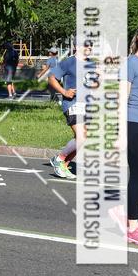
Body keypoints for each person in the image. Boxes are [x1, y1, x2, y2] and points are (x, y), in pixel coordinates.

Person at [109, 27, 138, 245]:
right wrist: (120, 134)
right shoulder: (130, 63)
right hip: (134, 122)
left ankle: (124, 208)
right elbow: (121, 100)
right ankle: (132, 225)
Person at [47, 45, 93, 180]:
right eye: (86, 44)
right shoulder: (69, 62)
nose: (89, 47)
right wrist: (64, 92)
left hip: (86, 105)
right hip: (72, 104)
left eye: (91, 45)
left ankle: (64, 165)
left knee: (81, 139)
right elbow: (51, 77)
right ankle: (59, 159)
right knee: (82, 136)